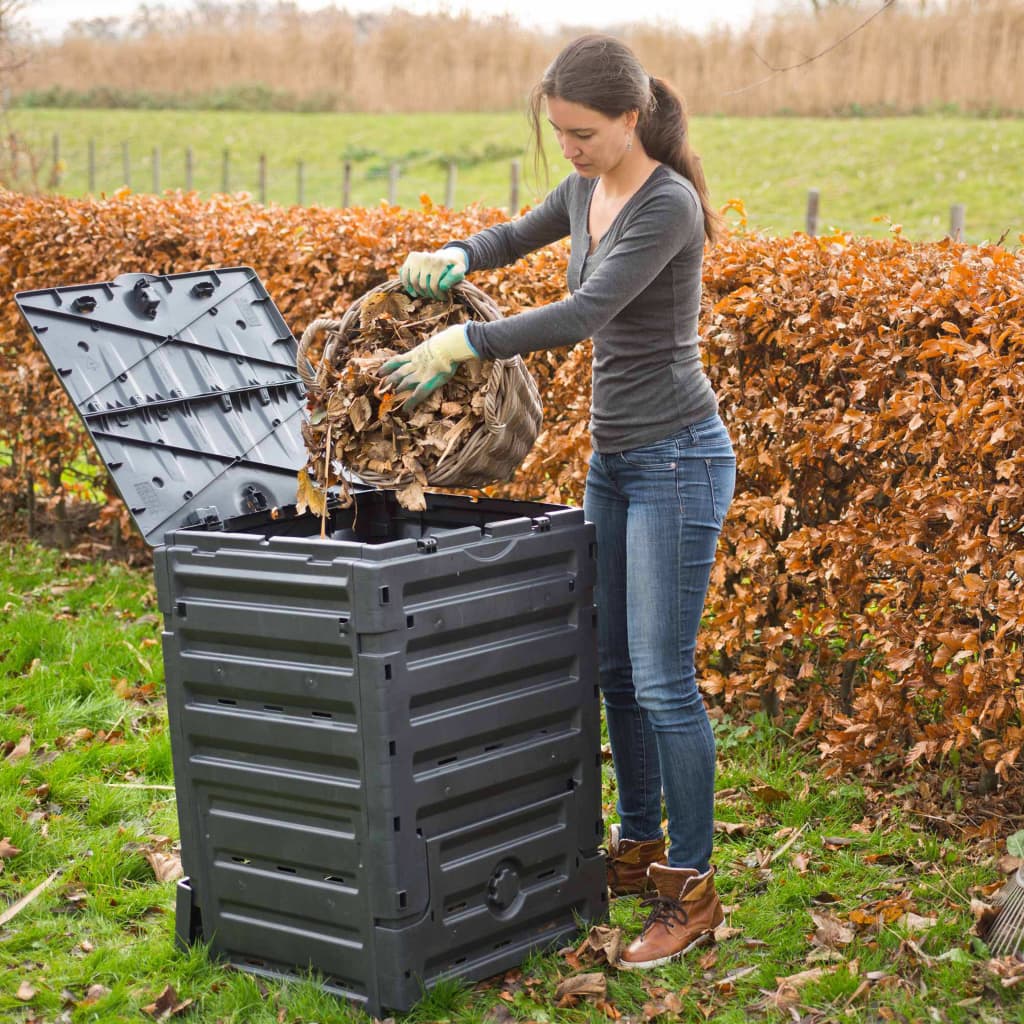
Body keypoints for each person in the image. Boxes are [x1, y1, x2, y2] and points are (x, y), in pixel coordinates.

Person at [380, 33, 736, 970]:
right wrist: (454, 252)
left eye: (582, 133)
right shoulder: (585, 189)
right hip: (616, 462)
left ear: (631, 118)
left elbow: (585, 314)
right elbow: (510, 236)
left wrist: (466, 341)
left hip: (678, 460)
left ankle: (692, 890)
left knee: (663, 681)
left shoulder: (668, 207)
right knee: (615, 670)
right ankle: (640, 848)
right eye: (558, 134)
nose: (569, 150)